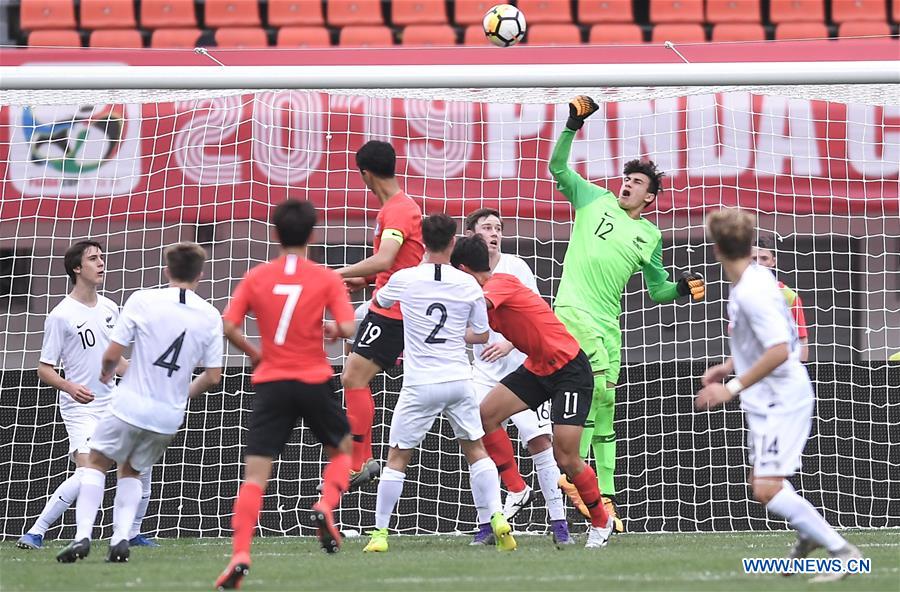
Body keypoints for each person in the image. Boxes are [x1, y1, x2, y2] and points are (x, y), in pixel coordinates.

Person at [549, 96, 706, 532]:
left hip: (608, 324)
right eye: (626, 179)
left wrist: (681, 288)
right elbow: (557, 168)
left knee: (607, 405)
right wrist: (572, 126)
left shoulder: (650, 236)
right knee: (596, 386)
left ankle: (605, 497)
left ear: (649, 197)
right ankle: (573, 472)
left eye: (636, 182)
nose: (627, 185)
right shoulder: (593, 198)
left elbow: (657, 290)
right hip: (572, 310)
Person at [697, 209, 860, 583]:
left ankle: (843, 553)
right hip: (767, 398)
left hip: (781, 399)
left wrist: (730, 387)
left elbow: (779, 351)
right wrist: (728, 365)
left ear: (717, 249)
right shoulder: (752, 281)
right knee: (765, 484)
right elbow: (762, 342)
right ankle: (809, 534)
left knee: (767, 487)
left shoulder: (752, 291)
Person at [215, 200, 357, 590]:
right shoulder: (325, 277)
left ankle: (240, 553)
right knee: (344, 450)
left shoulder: (256, 277)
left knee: (255, 476)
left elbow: (227, 325)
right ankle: (325, 504)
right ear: (313, 234)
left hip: (272, 382)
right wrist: (332, 329)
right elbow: (347, 326)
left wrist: (254, 353)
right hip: (314, 379)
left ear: (275, 233)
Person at [56, 242, 222, 564]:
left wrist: (106, 372)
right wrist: (180, 395)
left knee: (96, 462)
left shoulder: (143, 299)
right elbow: (213, 376)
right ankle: (121, 539)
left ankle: (82, 536)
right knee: (131, 471)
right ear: (200, 275)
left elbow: (112, 354)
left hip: (131, 403)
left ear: (167, 271)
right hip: (168, 415)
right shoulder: (211, 315)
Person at [362, 214, 515, 554]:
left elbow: (380, 303)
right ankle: (497, 517)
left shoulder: (405, 278)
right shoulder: (468, 284)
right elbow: (482, 334)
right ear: (453, 243)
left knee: (397, 457)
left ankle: (379, 534)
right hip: (459, 379)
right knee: (476, 450)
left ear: (423, 242)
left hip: (420, 383)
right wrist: (455, 332)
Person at [452, 235, 614, 549]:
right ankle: (517, 488)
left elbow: (478, 304)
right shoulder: (484, 292)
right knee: (485, 416)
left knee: (565, 457)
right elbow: (475, 330)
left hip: (569, 370)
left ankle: (601, 521)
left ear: (462, 270)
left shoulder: (499, 284)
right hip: (538, 368)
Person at [17, 241, 157, 551]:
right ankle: (36, 532)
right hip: (80, 408)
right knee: (88, 472)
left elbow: (115, 361)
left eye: (101, 257)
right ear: (77, 268)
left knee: (141, 464)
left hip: (112, 403)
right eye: (93, 258)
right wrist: (70, 386)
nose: (101, 262)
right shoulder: (61, 315)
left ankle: (132, 532)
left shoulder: (110, 307)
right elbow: (44, 369)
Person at [463, 208, 569, 545]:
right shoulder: (461, 273)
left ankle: (559, 522)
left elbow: (535, 312)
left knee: (540, 442)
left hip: (524, 369)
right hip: (483, 371)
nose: (494, 233)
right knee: (474, 440)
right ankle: (489, 520)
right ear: (471, 234)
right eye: (487, 227)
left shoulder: (515, 267)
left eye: (498, 228)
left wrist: (509, 343)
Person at [336, 140, 424, 489]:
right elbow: (398, 263)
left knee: (353, 377)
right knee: (353, 376)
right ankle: (362, 459)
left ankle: (359, 461)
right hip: (391, 306)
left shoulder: (398, 210)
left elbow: (386, 258)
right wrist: (364, 279)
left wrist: (335, 274)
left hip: (393, 311)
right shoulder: (397, 207)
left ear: (365, 174)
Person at [752, 236, 810, 362]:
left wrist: (802, 368)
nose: (759, 263)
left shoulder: (789, 296)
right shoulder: (741, 294)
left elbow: (802, 340)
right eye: (754, 259)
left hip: (783, 366)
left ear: (773, 262)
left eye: (764, 258)